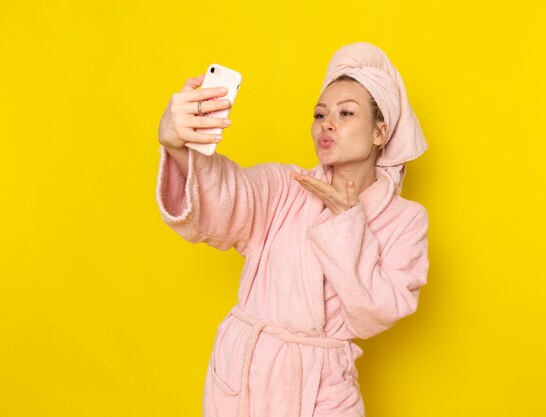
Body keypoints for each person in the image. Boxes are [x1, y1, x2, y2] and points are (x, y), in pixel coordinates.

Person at [156, 42, 429, 417]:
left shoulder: (405, 219)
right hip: (247, 378)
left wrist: (348, 223)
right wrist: (179, 147)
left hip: (323, 388)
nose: (326, 125)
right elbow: (226, 196)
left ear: (380, 132)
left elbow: (376, 312)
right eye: (319, 115)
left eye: (346, 113)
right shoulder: (287, 186)